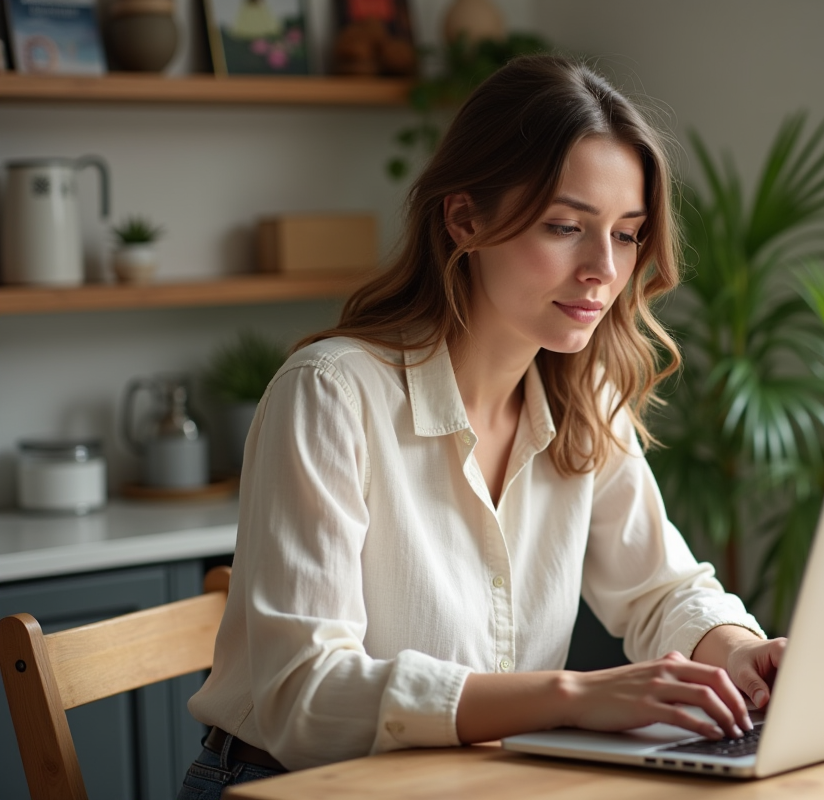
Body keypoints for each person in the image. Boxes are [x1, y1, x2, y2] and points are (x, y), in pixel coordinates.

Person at [177, 54, 785, 800]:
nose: (602, 268)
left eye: (626, 235)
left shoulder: (584, 397)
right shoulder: (331, 394)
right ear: (465, 218)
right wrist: (569, 696)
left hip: (472, 781)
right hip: (291, 784)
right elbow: (304, 691)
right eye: (566, 226)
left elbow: (661, 590)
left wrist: (738, 652)